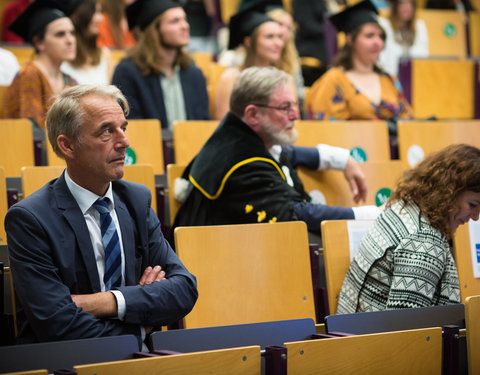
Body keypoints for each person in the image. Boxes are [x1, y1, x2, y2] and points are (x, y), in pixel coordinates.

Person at [4, 84, 198, 346]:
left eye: (123, 128)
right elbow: (56, 323)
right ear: (68, 145)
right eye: (107, 131)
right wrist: (140, 325)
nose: (125, 143)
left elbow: (183, 290)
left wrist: (108, 301)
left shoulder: (136, 201)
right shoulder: (30, 219)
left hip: (138, 362)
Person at [173, 66, 380, 235]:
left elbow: (284, 154)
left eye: (295, 105)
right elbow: (295, 214)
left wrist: (340, 159)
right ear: (253, 114)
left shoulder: (237, 135)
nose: (295, 114)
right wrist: (372, 215)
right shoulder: (242, 165)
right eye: (285, 107)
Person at [337, 144, 480, 314]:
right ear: (449, 191)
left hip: (352, 331)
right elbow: (409, 333)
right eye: (473, 205)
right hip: (369, 338)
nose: (476, 216)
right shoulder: (424, 243)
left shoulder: (405, 205)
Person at [308, 0, 413, 122]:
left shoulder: (389, 80)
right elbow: (327, 129)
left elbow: (407, 120)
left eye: (381, 36)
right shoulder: (334, 80)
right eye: (369, 36)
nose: (378, 42)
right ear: (350, 39)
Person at [111, 0, 210, 130]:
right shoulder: (128, 72)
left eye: (184, 19)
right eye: (175, 21)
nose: (185, 26)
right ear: (154, 30)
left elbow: (203, 125)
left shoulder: (194, 74)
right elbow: (130, 126)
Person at [3, 0, 77, 130]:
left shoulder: (69, 80)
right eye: (60, 34)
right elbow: (34, 132)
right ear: (39, 43)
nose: (70, 40)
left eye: (72, 33)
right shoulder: (29, 75)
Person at [214, 0, 286, 120]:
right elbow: (224, 128)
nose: (278, 43)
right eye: (269, 37)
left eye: (280, 37)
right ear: (248, 42)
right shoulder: (231, 79)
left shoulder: (285, 79)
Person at [61, 0, 115, 85]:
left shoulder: (104, 55)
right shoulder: (61, 57)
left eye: (100, 12)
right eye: (95, 12)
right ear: (81, 14)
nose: (101, 18)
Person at [378, 0, 429, 77]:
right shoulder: (384, 24)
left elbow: (424, 55)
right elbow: (381, 58)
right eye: (402, 3)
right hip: (390, 76)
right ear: (395, 6)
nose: (406, 7)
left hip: (415, 76)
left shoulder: (419, 26)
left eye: (410, 3)